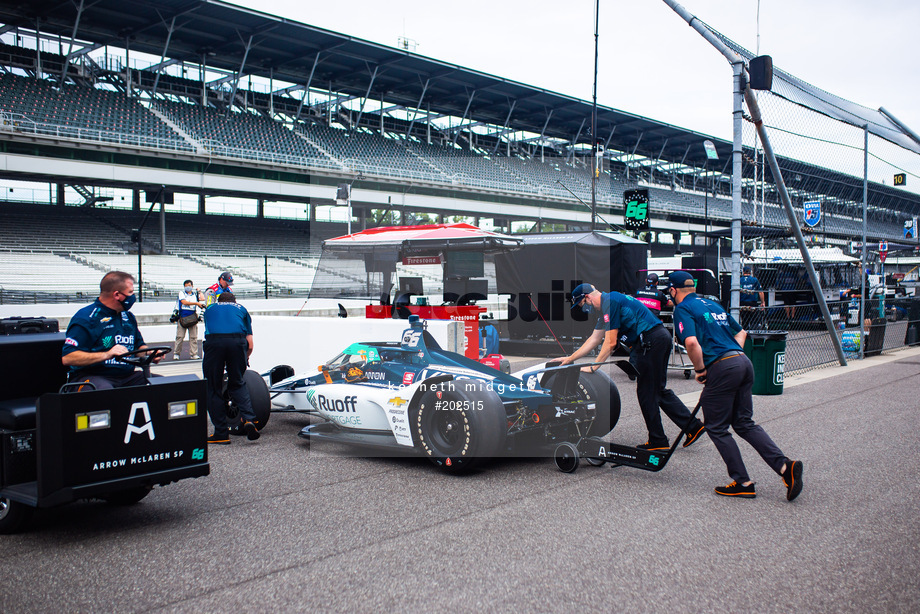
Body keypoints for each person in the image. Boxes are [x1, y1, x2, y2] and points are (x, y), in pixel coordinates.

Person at [668, 270, 803, 501]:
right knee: (744, 423)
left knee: (716, 427)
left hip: (722, 367)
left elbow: (691, 342)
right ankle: (785, 467)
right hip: (742, 361)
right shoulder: (712, 304)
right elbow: (741, 332)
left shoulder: (683, 309)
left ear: (673, 291)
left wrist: (700, 370)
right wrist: (734, 353)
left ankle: (742, 482)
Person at [560, 283, 705, 450]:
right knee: (656, 391)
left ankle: (659, 440)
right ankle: (692, 427)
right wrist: (570, 358)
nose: (585, 309)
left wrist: (594, 366)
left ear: (587, 297)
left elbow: (611, 342)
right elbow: (594, 339)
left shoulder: (610, 301)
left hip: (651, 341)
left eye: (583, 305)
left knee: (646, 393)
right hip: (657, 339)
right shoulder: (607, 307)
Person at [62, 270, 162, 390]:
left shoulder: (128, 317)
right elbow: (68, 357)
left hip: (127, 376)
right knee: (105, 390)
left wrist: (149, 353)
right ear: (117, 295)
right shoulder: (86, 318)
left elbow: (139, 347)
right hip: (91, 377)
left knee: (166, 384)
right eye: (130, 292)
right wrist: (106, 354)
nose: (133, 296)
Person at [202, 291, 259, 445]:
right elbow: (250, 344)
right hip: (237, 343)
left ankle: (221, 433)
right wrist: (245, 358)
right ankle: (248, 419)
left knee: (213, 387)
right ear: (235, 301)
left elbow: (211, 328)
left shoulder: (210, 309)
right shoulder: (241, 309)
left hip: (215, 343)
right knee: (238, 383)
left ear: (219, 300)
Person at [174, 279, 205, 360]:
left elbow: (202, 299)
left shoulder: (195, 294)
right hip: (183, 317)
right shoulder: (182, 293)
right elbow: (184, 302)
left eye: (190, 285)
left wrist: (199, 291)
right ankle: (176, 353)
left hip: (192, 317)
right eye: (186, 286)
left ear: (192, 286)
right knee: (180, 337)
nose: (188, 287)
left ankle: (194, 353)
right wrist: (196, 303)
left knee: (193, 337)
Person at [739, 266, 766, 330]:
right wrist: (763, 302)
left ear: (743, 272)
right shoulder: (754, 280)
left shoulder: (739, 280)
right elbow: (760, 292)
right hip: (752, 301)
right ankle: (753, 333)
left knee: (744, 320)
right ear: (750, 272)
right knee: (754, 320)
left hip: (743, 302)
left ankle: (745, 333)